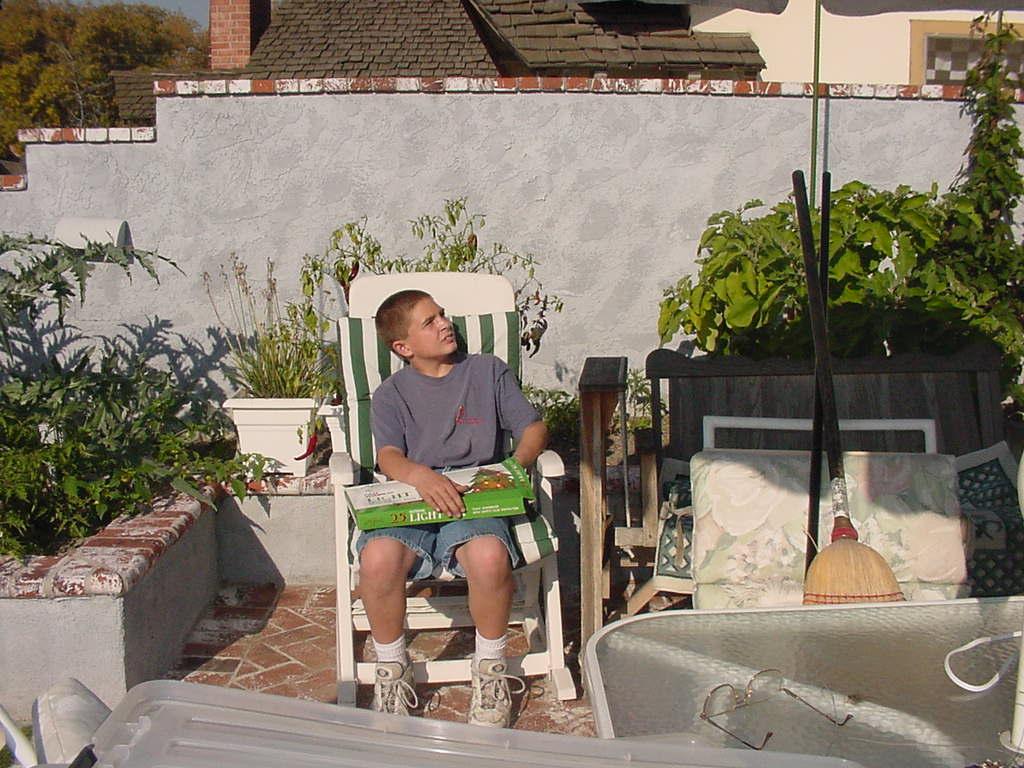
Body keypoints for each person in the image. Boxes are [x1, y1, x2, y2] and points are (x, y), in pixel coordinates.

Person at [357, 288, 549, 727]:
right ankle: (392, 669)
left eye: (442, 315)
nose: (446, 324)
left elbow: (533, 428)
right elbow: (388, 455)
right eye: (430, 321)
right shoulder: (391, 394)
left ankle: (491, 670)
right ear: (403, 347)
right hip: (415, 489)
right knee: (378, 559)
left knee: (489, 557)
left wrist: (514, 466)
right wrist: (421, 476)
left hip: (476, 490)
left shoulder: (486, 371)